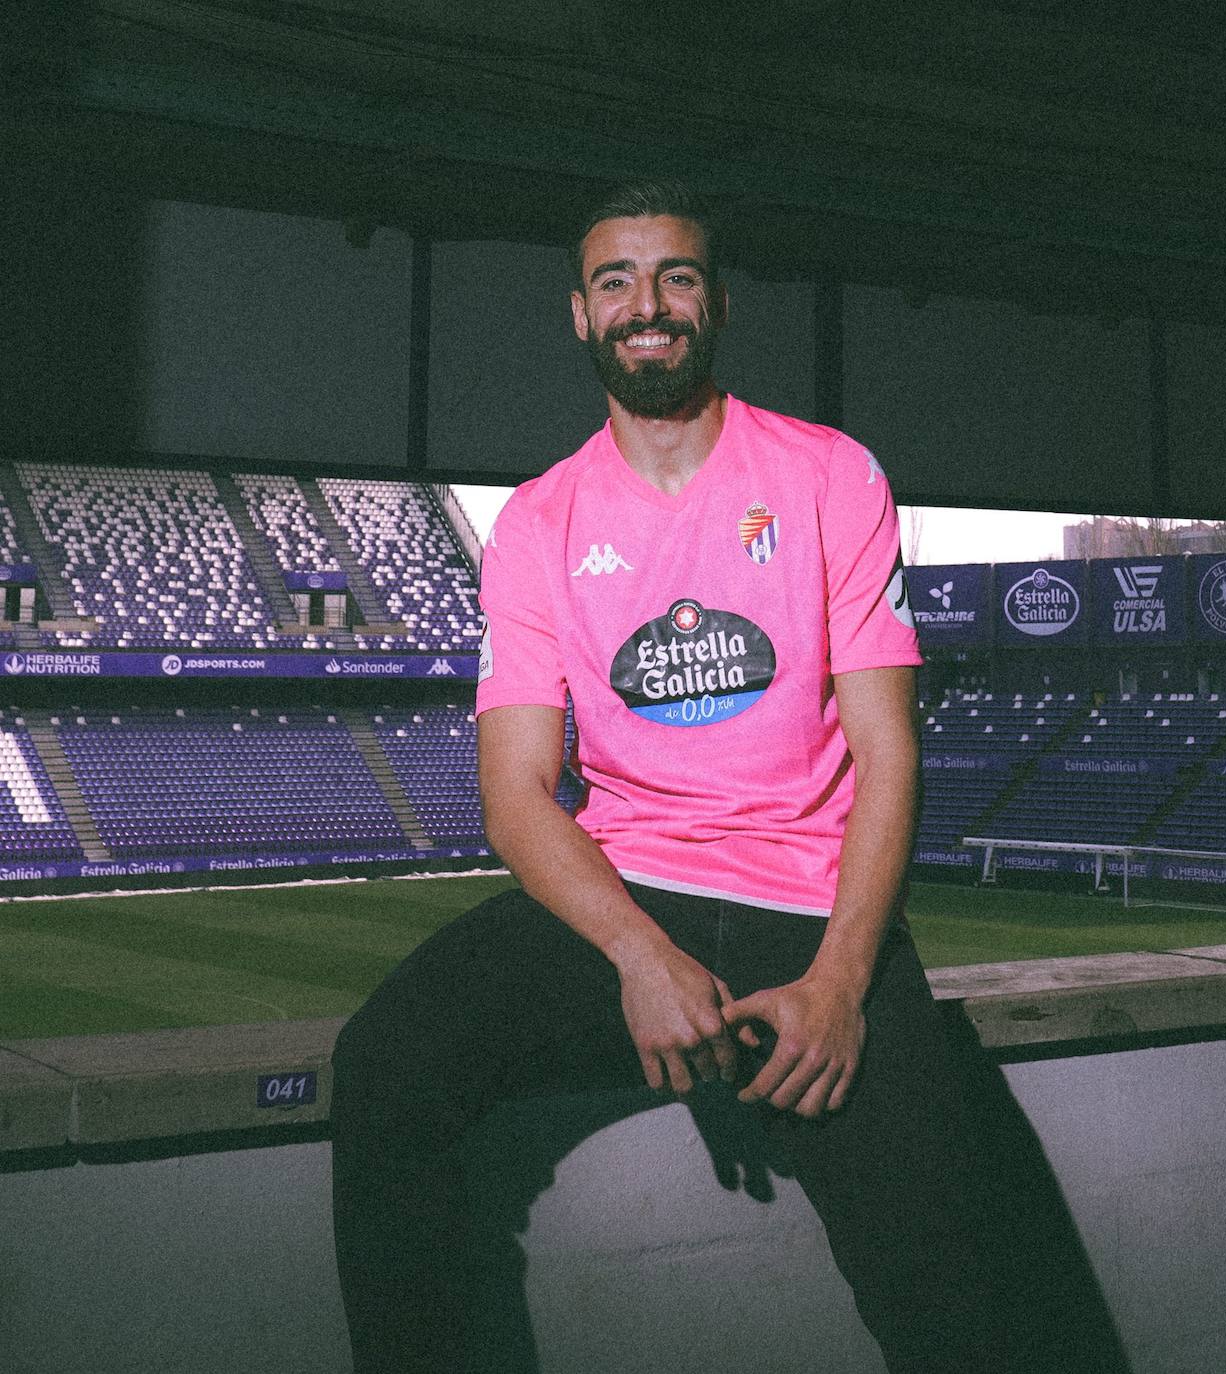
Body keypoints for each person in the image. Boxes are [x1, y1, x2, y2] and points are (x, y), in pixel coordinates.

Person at [330, 181, 1004, 1373]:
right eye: (615, 281)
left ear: (718, 304)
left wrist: (845, 981)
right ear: (581, 319)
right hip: (631, 899)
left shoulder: (831, 475)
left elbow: (890, 749)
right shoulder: (537, 523)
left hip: (811, 910)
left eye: (676, 276)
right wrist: (637, 956)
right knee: (387, 1064)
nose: (648, 303)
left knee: (954, 1282)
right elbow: (516, 792)